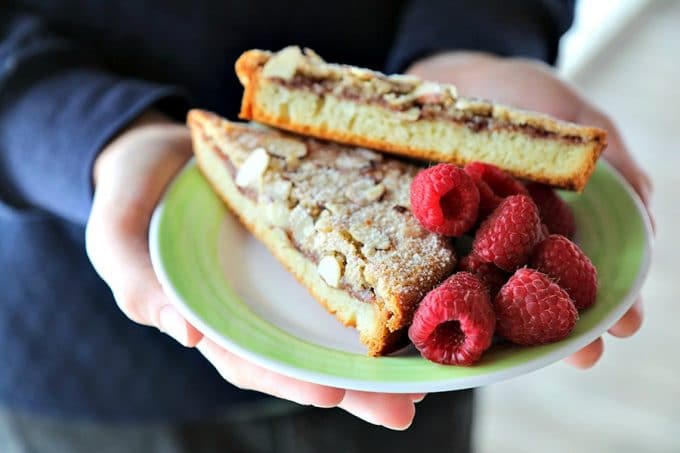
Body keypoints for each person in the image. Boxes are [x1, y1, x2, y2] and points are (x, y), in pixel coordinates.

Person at [0, 0, 650, 451]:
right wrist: (84, 131)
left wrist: (478, 33)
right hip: (83, 372)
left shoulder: (442, 294)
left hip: (418, 376)